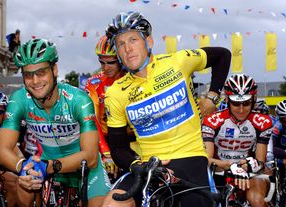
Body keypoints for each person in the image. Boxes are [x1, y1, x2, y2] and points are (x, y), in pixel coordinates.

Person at [102, 11, 231, 207]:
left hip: (190, 156)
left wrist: (212, 97)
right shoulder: (115, 93)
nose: (127, 48)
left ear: (149, 42)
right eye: (120, 44)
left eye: (133, 39)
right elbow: (118, 148)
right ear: (117, 52)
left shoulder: (178, 61)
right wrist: (138, 166)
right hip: (150, 165)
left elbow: (223, 55)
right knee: (112, 204)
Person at [0, 38, 111, 207]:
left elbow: (91, 157)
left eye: (41, 72)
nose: (35, 81)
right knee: (23, 196)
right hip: (45, 164)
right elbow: (2, 151)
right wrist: (23, 166)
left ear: (54, 70)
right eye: (28, 75)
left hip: (82, 167)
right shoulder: (19, 99)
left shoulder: (78, 99)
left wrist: (49, 166)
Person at [202, 74, 273, 207]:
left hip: (250, 172)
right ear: (228, 100)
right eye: (235, 103)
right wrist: (230, 165)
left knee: (256, 199)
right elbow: (206, 159)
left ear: (253, 100)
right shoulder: (212, 121)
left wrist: (252, 165)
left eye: (246, 103)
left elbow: (261, 161)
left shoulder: (263, 122)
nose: (241, 109)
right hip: (218, 170)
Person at [85, 35, 125, 179]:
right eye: (101, 62)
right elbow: (91, 118)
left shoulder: (133, 77)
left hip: (132, 138)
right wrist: (106, 152)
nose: (105, 67)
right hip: (104, 139)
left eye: (111, 62)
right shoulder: (94, 83)